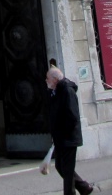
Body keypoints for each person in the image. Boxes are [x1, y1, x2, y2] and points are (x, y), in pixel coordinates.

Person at [46, 66, 93, 195]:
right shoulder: (56, 91)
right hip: (61, 138)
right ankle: (84, 187)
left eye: (48, 78)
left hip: (68, 137)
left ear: (55, 79)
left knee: (67, 170)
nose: (46, 81)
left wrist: (63, 133)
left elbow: (72, 116)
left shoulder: (67, 91)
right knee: (60, 166)